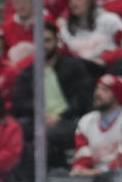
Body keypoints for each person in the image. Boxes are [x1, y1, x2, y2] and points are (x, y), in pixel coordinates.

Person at [12, 22, 93, 171]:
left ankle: (55, 174)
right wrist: (41, 114)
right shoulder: (28, 73)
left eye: (48, 40)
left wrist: (61, 115)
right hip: (37, 119)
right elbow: (19, 102)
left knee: (52, 135)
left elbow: (82, 98)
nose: (44, 45)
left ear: (57, 41)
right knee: (16, 132)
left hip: (69, 118)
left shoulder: (74, 67)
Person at [71, 74, 122, 175]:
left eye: (105, 90)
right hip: (93, 174)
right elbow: (83, 152)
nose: (98, 93)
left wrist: (97, 172)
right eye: (97, 88)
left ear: (118, 95)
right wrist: (79, 168)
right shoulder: (86, 121)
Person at [58, 0, 122, 76]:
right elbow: (64, 58)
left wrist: (106, 59)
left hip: (111, 69)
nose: (74, 2)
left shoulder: (109, 19)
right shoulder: (66, 30)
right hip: (81, 74)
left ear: (89, 0)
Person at [0, 0, 40, 66]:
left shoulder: (44, 22)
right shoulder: (6, 27)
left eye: (25, 1)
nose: (21, 6)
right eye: (17, 2)